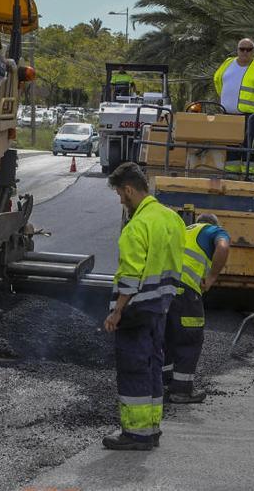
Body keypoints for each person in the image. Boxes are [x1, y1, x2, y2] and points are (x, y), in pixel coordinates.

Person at [102, 162, 185, 451]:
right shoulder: (172, 219)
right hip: (161, 307)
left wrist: (116, 312)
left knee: (133, 368)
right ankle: (151, 428)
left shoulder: (137, 225)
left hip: (136, 310)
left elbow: (130, 275)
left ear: (128, 189)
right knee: (152, 366)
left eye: (119, 194)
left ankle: (136, 434)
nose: (120, 200)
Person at [164, 214, 230, 404]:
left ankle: (163, 384)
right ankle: (182, 391)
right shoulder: (212, 230)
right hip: (185, 292)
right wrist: (211, 277)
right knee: (189, 339)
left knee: (166, 337)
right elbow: (223, 247)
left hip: (162, 288)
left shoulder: (183, 230)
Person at [213, 38, 254, 176]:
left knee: (250, 142)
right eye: (242, 49)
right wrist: (221, 101)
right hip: (228, 113)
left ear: (253, 51)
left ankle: (251, 173)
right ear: (237, 50)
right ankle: (231, 172)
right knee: (231, 142)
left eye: (249, 49)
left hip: (251, 114)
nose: (245, 52)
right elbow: (218, 81)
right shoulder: (228, 63)